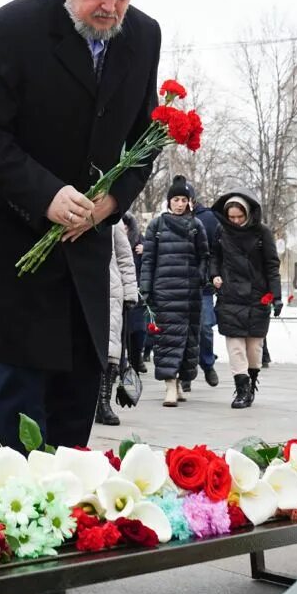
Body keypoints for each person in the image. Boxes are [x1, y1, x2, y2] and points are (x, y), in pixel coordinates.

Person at [0, 0, 160, 453]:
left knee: (77, 402)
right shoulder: (10, 28)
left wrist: (112, 202)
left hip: (86, 246)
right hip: (17, 243)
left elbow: (147, 136)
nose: (110, 7)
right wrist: (45, 194)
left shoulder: (142, 36)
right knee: (22, 407)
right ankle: (18, 523)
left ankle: (74, 525)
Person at [141, 175, 209, 407]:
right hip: (166, 292)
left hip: (190, 294)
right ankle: (169, 384)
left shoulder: (196, 225)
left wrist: (201, 276)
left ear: (190, 202)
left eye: (183, 199)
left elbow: (204, 256)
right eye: (176, 199)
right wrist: (146, 289)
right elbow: (148, 260)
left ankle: (179, 382)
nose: (179, 203)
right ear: (168, 201)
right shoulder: (156, 226)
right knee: (167, 339)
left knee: (188, 341)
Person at [209, 189, 280, 410]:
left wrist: (276, 296)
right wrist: (214, 275)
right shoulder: (221, 232)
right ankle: (241, 389)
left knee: (254, 348)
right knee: (235, 346)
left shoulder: (262, 233)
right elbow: (214, 256)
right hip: (230, 295)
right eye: (232, 217)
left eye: (240, 217)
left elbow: (271, 264)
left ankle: (251, 383)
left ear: (248, 213)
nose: (236, 221)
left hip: (257, 296)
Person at [98, 221, 138, 426]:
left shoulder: (112, 217)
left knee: (111, 348)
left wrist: (130, 292)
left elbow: (124, 256)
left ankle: (103, 403)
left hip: (110, 291)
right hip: (80, 287)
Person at [193, 201, 221, 387]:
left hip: (203, 285)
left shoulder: (209, 219)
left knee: (205, 328)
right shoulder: (165, 221)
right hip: (177, 284)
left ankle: (207, 363)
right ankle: (184, 375)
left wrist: (214, 275)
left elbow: (217, 251)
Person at [122, 213, 148, 375]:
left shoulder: (140, 241)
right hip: (118, 293)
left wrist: (146, 252)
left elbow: (151, 261)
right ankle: (122, 363)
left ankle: (136, 356)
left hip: (137, 292)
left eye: (126, 228)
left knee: (139, 330)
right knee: (121, 332)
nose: (124, 231)